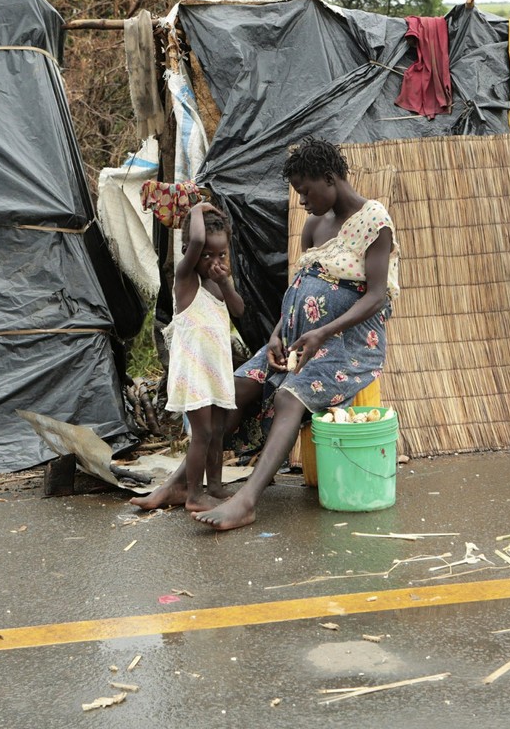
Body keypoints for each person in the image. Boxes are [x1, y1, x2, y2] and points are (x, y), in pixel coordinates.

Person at [133, 137, 399, 530]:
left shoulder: (374, 221)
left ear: (329, 179)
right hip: (294, 341)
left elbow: (376, 297)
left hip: (348, 345)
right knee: (230, 392)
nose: (303, 202)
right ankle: (181, 484)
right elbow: (299, 287)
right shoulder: (314, 225)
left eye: (306, 192)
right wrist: (276, 333)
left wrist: (322, 332)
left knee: (291, 396)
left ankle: (246, 501)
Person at [131, 201, 244, 512]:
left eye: (221, 255)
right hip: (193, 371)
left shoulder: (219, 283)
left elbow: (239, 310)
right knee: (203, 432)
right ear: (189, 251)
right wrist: (196, 209)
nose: (214, 261)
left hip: (215, 369)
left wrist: (224, 281)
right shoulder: (185, 278)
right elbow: (195, 240)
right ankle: (194, 494)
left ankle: (216, 486)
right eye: (206, 255)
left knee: (219, 429)